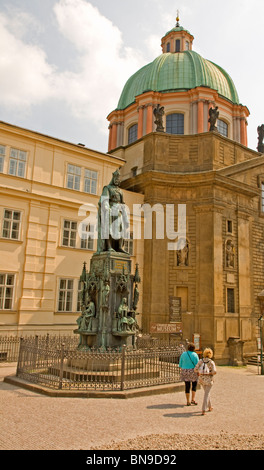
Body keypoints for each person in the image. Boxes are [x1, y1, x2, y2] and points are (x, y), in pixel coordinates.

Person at [195, 347, 217, 415]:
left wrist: (199, 372)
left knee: (207, 393)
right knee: (206, 394)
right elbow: (215, 371)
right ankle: (203, 409)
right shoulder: (211, 362)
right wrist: (209, 373)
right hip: (209, 379)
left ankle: (210, 407)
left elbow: (195, 369)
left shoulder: (200, 361)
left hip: (202, 379)